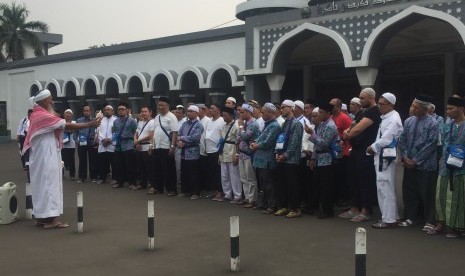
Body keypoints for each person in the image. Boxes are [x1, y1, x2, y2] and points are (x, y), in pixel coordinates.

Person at [22, 89, 100, 229]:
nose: (52, 101)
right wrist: (89, 125)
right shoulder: (42, 115)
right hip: (46, 156)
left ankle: (41, 217)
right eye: (50, 99)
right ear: (44, 101)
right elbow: (66, 125)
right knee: (49, 185)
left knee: (41, 186)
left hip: (43, 155)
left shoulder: (37, 114)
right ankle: (50, 220)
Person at [398, 95, 439, 230]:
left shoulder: (433, 123)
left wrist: (415, 160)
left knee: (426, 193)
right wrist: (404, 156)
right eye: (412, 105)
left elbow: (431, 145)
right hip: (409, 163)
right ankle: (411, 217)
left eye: (416, 107)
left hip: (426, 165)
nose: (412, 109)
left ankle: (430, 220)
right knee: (409, 192)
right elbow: (402, 139)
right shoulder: (409, 121)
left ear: (425, 109)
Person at [341, 88, 382, 222]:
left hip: (366, 151)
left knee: (365, 181)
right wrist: (348, 132)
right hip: (356, 150)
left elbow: (357, 129)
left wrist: (348, 134)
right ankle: (354, 207)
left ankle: (366, 210)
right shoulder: (361, 112)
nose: (360, 100)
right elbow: (351, 126)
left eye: (362, 98)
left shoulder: (374, 111)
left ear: (371, 98)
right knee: (353, 180)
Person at [366, 93, 403, 229]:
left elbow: (387, 139)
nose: (379, 106)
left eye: (382, 104)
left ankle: (388, 219)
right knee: (386, 187)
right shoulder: (387, 118)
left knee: (384, 187)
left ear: (391, 105)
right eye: (379, 104)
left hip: (385, 158)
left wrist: (372, 147)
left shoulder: (393, 119)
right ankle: (392, 217)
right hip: (382, 156)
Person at [431, 96, 465, 238]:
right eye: (447, 109)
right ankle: (442, 223)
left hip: (461, 168)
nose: (448, 111)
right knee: (441, 194)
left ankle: (458, 227)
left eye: (451, 109)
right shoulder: (447, 125)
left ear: (461, 109)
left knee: (458, 196)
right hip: (445, 166)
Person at [307, 103, 338, 218]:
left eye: (321, 112)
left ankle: (328, 211)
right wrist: (313, 158)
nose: (319, 114)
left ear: (328, 113)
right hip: (319, 158)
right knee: (318, 185)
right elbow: (316, 144)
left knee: (327, 187)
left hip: (327, 158)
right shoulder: (321, 125)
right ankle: (320, 208)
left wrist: (312, 134)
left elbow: (324, 144)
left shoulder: (331, 126)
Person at [274, 100, 304, 218]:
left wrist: (285, 155)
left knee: (292, 185)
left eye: (284, 107)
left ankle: (295, 208)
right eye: (281, 107)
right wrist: (278, 152)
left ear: (291, 108)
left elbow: (295, 143)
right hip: (282, 157)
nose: (281, 110)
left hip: (292, 159)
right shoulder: (284, 123)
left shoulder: (297, 124)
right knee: (282, 184)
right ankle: (284, 206)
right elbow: (281, 139)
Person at [250, 103, 281, 214]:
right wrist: (254, 142)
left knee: (269, 184)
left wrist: (256, 145)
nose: (261, 114)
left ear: (271, 112)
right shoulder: (267, 124)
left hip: (268, 159)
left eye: (263, 112)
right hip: (261, 159)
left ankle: (272, 206)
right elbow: (260, 137)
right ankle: (264, 203)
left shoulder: (275, 126)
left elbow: (268, 141)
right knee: (263, 184)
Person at [152, 97, 178, 195]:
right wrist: (152, 145)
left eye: (162, 105)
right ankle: (158, 188)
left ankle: (171, 189)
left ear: (167, 106)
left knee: (168, 169)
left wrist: (172, 146)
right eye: (159, 105)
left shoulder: (171, 117)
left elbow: (174, 132)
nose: (160, 107)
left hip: (166, 146)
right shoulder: (157, 117)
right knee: (157, 169)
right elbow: (154, 132)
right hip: (157, 146)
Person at [236, 103, 260, 207]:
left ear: (249, 112)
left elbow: (245, 136)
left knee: (250, 178)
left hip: (250, 154)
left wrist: (241, 127)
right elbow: (238, 137)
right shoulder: (245, 123)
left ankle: (252, 199)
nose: (240, 114)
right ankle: (247, 197)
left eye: (242, 112)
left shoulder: (253, 124)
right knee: (243, 177)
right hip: (242, 153)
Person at [330, 98, 353, 207]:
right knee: (335, 177)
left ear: (339, 107)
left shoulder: (344, 118)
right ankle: (337, 197)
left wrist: (342, 141)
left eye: (333, 105)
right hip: (332, 151)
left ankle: (345, 199)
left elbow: (350, 132)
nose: (331, 107)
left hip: (343, 152)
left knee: (343, 177)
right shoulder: (330, 118)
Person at [178, 105, 204, 199]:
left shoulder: (198, 125)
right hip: (184, 152)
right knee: (184, 172)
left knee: (194, 173)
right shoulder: (185, 124)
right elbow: (179, 134)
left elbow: (195, 137)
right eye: (188, 111)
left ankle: (196, 192)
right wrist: (179, 140)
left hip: (193, 152)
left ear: (196, 113)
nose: (189, 113)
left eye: (191, 111)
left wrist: (182, 139)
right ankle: (186, 190)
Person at [112, 102, 138, 189]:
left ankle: (132, 182)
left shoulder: (132, 121)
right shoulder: (115, 121)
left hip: (128, 145)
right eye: (119, 109)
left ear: (127, 110)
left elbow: (135, 132)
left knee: (130, 165)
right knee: (118, 165)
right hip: (118, 145)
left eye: (122, 109)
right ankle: (120, 182)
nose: (121, 111)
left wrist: (135, 142)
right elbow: (114, 132)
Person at [218, 106, 241, 203]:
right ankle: (227, 194)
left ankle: (237, 195)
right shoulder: (223, 126)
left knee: (234, 175)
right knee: (224, 175)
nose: (223, 117)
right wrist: (219, 155)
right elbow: (221, 140)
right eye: (223, 115)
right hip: (224, 151)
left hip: (232, 151)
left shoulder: (236, 126)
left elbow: (238, 142)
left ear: (231, 115)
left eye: (225, 115)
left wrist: (237, 155)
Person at [294, 100, 313, 210]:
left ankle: (304, 202)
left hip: (302, 154)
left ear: (300, 109)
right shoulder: (295, 120)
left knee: (303, 179)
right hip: (295, 154)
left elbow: (304, 139)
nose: (293, 109)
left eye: (295, 108)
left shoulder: (304, 121)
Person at [204, 104, 225, 201]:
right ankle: (216, 190)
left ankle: (221, 192)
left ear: (218, 110)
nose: (210, 110)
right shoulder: (209, 121)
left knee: (218, 172)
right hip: (209, 150)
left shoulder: (221, 121)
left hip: (217, 150)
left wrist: (221, 150)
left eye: (213, 108)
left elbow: (222, 136)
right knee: (211, 172)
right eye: (210, 109)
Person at [75, 105, 99, 183]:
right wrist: (76, 140)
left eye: (87, 111)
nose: (86, 112)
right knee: (82, 160)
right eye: (84, 111)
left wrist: (97, 139)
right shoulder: (79, 120)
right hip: (81, 142)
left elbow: (98, 130)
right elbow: (75, 132)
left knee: (93, 160)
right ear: (83, 112)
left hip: (92, 142)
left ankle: (93, 177)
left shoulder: (94, 120)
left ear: (90, 111)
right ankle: (82, 177)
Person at [134, 106, 155, 190]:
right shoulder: (140, 122)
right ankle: (143, 184)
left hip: (147, 147)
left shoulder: (152, 122)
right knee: (141, 167)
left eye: (145, 111)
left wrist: (138, 141)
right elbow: (136, 133)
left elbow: (150, 135)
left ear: (150, 112)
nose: (143, 113)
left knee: (149, 167)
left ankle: (152, 184)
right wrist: (136, 141)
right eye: (142, 111)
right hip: (139, 147)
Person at [96, 105, 117, 184]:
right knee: (102, 163)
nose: (107, 111)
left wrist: (109, 139)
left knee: (114, 163)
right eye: (105, 110)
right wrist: (103, 139)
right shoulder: (101, 120)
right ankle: (102, 178)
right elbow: (98, 131)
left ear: (112, 111)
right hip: (102, 145)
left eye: (109, 110)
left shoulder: (116, 120)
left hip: (111, 144)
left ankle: (115, 178)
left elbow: (116, 132)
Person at [197, 104, 212, 194]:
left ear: (203, 110)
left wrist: (206, 147)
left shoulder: (208, 120)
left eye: (199, 110)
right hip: (198, 148)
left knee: (207, 170)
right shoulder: (198, 120)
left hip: (206, 148)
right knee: (200, 169)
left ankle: (208, 187)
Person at [173, 106, 187, 191]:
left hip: (182, 147)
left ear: (183, 114)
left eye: (179, 113)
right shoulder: (173, 122)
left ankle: (181, 184)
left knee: (181, 167)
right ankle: (177, 183)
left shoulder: (185, 122)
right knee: (175, 167)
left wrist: (180, 141)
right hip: (174, 146)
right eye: (176, 112)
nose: (177, 114)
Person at [61, 109, 76, 180]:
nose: (68, 114)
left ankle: (72, 175)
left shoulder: (74, 122)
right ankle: (61, 174)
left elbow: (73, 131)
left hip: (71, 144)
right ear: (64, 115)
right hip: (62, 144)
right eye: (66, 113)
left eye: (69, 113)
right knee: (62, 161)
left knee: (71, 160)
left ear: (71, 115)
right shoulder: (61, 122)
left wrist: (69, 130)